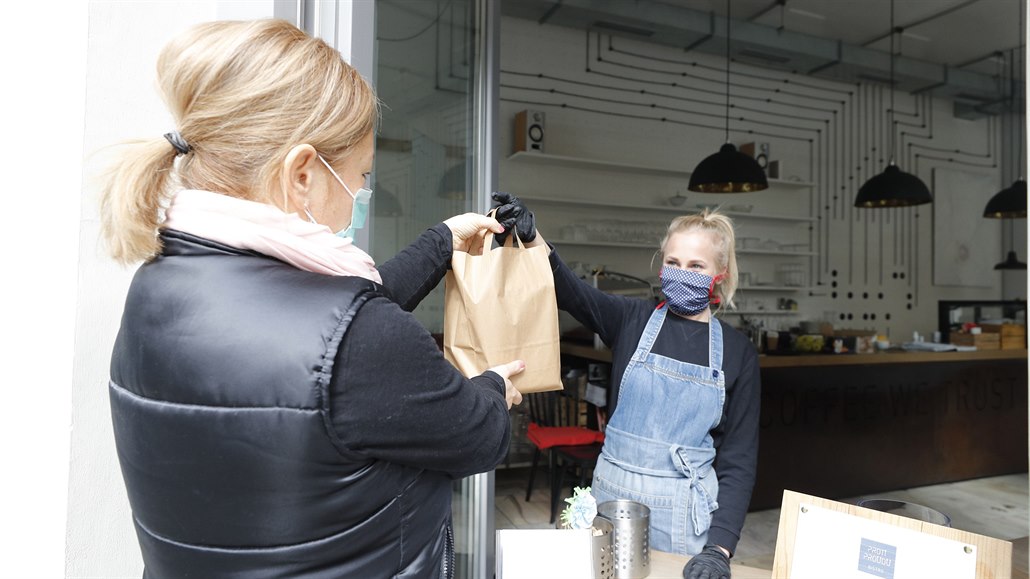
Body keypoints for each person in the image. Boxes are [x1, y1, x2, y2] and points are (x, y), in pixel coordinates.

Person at [100, 19, 525, 579]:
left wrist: (441, 241)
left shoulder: (157, 286)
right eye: (360, 177)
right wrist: (495, 387)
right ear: (303, 172)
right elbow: (476, 435)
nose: (359, 200)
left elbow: (322, 336)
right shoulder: (357, 340)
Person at [494, 194, 760, 579]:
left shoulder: (738, 353)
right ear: (661, 264)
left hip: (685, 520)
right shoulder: (631, 320)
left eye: (696, 265)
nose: (681, 272)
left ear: (720, 273)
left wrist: (719, 548)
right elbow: (572, 292)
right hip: (611, 502)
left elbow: (739, 461)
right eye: (673, 262)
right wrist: (535, 240)